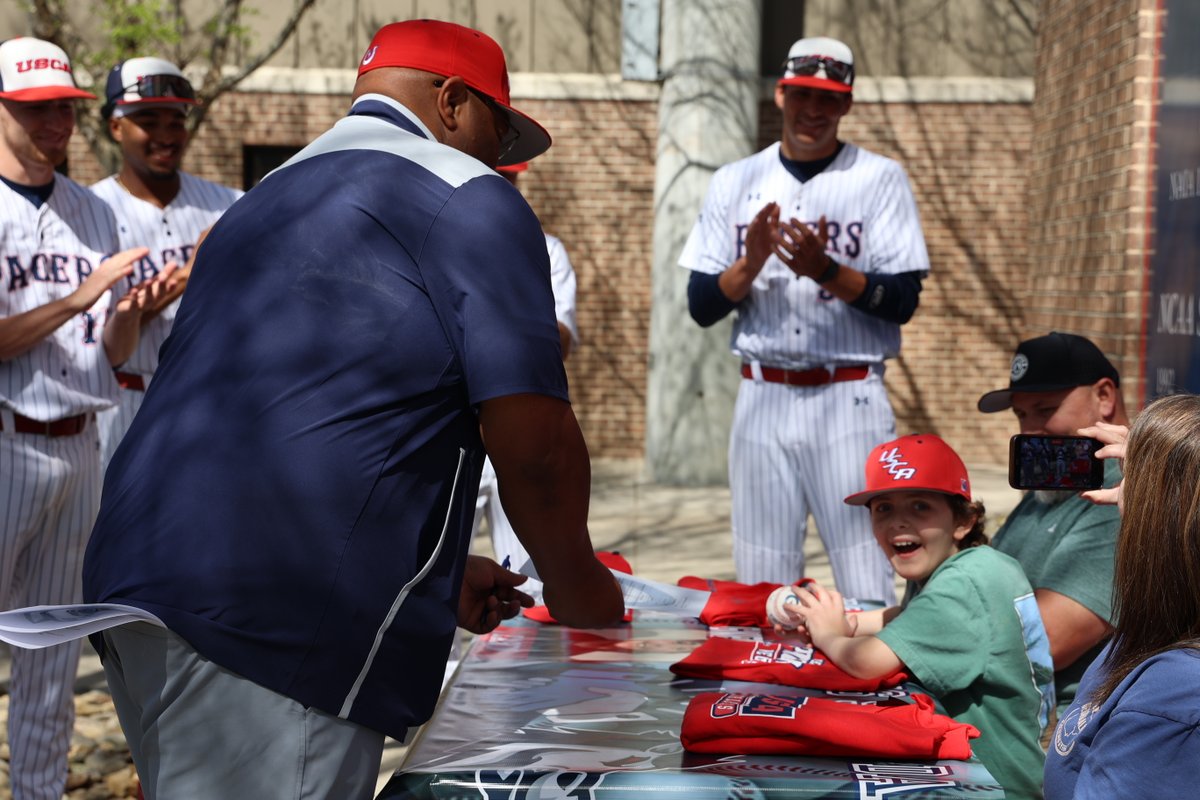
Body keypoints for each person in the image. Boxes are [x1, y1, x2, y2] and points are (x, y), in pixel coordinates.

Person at [81, 19, 623, 799]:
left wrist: (427, 573)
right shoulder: (466, 193)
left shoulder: (265, 201)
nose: (498, 160)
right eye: (495, 133)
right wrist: (581, 592)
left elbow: (301, 419)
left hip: (142, 575)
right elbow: (532, 443)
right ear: (450, 102)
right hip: (269, 618)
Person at [679, 35, 929, 603]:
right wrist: (751, 261)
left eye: (829, 99)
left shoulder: (879, 178)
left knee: (866, 568)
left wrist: (826, 270)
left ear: (846, 104)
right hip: (761, 394)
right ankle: (772, 686)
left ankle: (869, 687)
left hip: (849, 397)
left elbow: (903, 298)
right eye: (804, 95)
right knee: (763, 579)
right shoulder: (735, 180)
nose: (814, 110)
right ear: (781, 93)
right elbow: (700, 304)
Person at [0, 36, 171, 800]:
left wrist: (129, 315)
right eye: (34, 111)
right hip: (6, 441)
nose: (53, 126)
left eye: (63, 110)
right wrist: (78, 296)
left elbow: (109, 348)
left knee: (51, 660)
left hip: (80, 449)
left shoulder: (91, 213)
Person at [778, 434, 1053, 800]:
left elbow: (865, 663)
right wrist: (854, 623)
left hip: (995, 785)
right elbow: (911, 616)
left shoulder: (963, 584)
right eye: (883, 508)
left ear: (963, 520)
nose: (898, 523)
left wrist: (829, 635)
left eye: (920, 506)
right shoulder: (964, 565)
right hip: (988, 770)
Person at [1044, 394, 1200, 797]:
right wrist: (1168, 464)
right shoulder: (1155, 633)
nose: (1121, 490)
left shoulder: (1174, 694)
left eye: (1136, 481)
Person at [91, 56, 243, 465]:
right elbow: (99, 342)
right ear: (116, 127)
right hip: (123, 403)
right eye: (148, 120)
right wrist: (190, 275)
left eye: (175, 121)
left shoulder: (229, 205)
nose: (166, 134)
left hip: (211, 401)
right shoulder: (89, 211)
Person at [978, 331, 1127, 715]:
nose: (1030, 430)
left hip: (1062, 733)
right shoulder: (1055, 482)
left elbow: (1044, 643)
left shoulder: (1122, 496)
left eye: (1044, 410)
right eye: (1021, 414)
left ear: (1105, 397)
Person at [474, 160, 580, 573]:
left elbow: (561, 343)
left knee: (528, 587)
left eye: (510, 175)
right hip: (451, 432)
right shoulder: (436, 240)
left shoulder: (545, 248)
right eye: (497, 172)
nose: (504, 183)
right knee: (434, 593)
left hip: (520, 430)